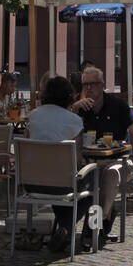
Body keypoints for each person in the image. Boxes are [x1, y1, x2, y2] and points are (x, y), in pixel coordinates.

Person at [71, 66, 133, 247]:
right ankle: (100, 221)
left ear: (102, 85)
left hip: (120, 160)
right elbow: (66, 132)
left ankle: (95, 224)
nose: (88, 88)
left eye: (93, 84)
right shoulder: (79, 108)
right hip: (89, 162)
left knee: (110, 174)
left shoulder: (117, 105)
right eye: (85, 84)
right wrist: (73, 110)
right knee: (92, 174)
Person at [25, 76, 86, 253]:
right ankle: (66, 228)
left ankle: (62, 231)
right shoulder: (74, 120)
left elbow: (29, 142)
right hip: (61, 184)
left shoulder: (33, 115)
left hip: (32, 183)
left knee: (59, 183)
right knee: (92, 186)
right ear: (69, 97)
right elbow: (78, 157)